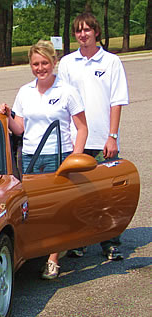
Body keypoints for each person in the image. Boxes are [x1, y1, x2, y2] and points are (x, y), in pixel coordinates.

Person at [0, 40, 88, 280]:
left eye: (45, 63)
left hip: (59, 157)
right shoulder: (25, 91)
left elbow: (82, 128)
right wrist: (6, 116)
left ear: (54, 62)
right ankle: (37, 249)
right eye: (35, 64)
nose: (40, 68)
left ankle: (52, 259)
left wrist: (75, 158)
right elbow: (20, 129)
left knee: (56, 210)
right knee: (32, 209)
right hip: (30, 157)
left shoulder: (67, 90)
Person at [58, 12, 129, 261]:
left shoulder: (110, 62)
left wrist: (112, 136)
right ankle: (80, 241)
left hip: (102, 139)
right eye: (78, 30)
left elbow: (117, 102)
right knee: (79, 194)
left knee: (107, 193)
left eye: (87, 30)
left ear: (96, 32)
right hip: (76, 141)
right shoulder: (67, 63)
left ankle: (110, 242)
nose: (82, 34)